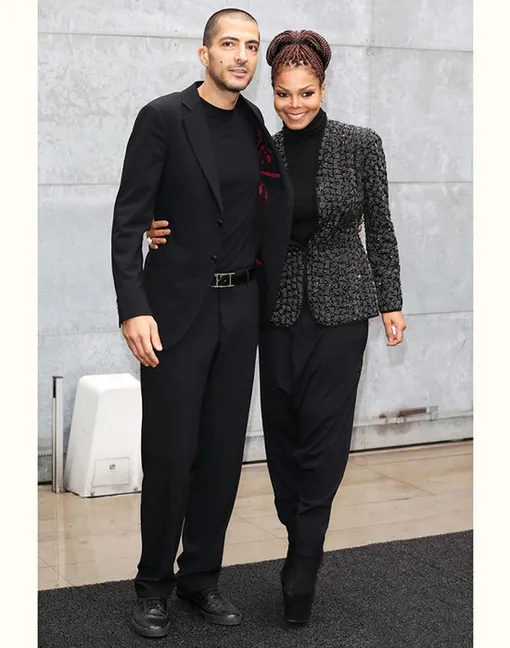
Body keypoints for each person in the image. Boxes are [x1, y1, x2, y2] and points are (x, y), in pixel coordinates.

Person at [147, 28, 406, 627]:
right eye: (284, 93)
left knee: (325, 435)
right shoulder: (263, 146)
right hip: (275, 308)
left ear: (323, 88)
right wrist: (159, 226)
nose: (294, 105)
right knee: (283, 434)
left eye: (305, 93)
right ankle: (296, 532)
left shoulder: (361, 145)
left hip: (344, 307)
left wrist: (390, 301)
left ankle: (305, 557)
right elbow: (220, 204)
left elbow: (381, 228)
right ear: (272, 90)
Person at [111, 8, 292, 638]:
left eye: (252, 46)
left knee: (220, 454)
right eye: (229, 44)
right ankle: (152, 587)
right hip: (174, 313)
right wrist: (133, 306)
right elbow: (128, 220)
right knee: (170, 453)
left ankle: (200, 580)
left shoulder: (255, 123)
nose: (241, 56)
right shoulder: (163, 117)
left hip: (241, 311)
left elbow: (266, 208)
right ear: (204, 53)